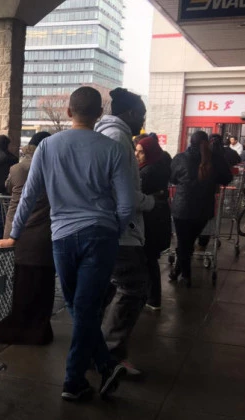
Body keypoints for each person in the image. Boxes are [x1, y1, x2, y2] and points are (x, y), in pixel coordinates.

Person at [0, 87, 135, 402]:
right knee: (83, 307)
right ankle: (96, 369)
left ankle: (79, 377)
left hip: (62, 237)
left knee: (78, 305)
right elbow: (127, 204)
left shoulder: (47, 147)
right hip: (101, 235)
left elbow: (28, 195)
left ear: (69, 112)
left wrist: (14, 234)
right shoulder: (113, 149)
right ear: (100, 114)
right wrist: (114, 229)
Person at [95, 87, 159, 378]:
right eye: (141, 115)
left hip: (109, 227)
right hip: (120, 231)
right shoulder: (118, 138)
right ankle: (110, 353)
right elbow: (123, 193)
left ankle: (94, 349)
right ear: (131, 113)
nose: (142, 122)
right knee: (134, 287)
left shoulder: (105, 135)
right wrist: (151, 202)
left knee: (107, 289)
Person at [0, 131, 55, 345]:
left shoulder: (17, 168)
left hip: (14, 231)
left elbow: (8, 188)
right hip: (43, 234)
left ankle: (7, 329)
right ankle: (36, 331)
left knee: (14, 284)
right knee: (40, 285)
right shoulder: (55, 170)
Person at [170, 131, 233, 286]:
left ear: (190, 142)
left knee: (184, 242)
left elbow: (172, 178)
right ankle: (177, 271)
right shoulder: (215, 159)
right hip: (204, 209)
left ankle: (186, 276)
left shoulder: (181, 158)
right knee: (188, 241)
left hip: (182, 207)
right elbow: (227, 178)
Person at [136, 136, 172, 311]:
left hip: (150, 221)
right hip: (158, 218)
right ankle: (152, 297)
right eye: (136, 151)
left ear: (149, 153)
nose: (137, 155)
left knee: (148, 259)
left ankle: (152, 298)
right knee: (150, 259)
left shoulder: (147, 172)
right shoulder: (159, 165)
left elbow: (136, 194)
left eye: (141, 152)